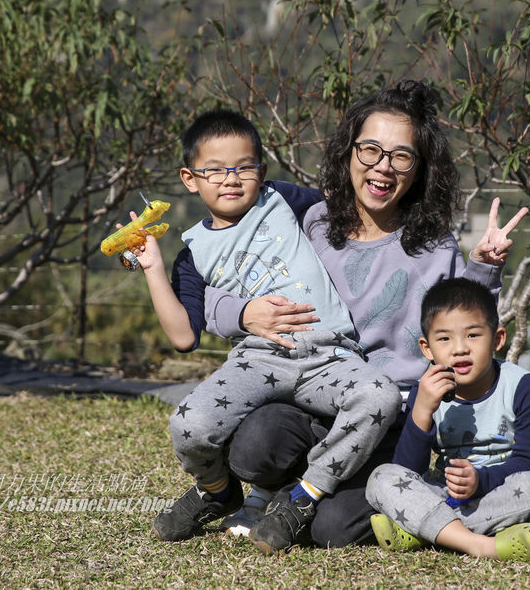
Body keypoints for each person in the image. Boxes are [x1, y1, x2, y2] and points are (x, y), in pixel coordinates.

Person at [200, 79, 528, 547]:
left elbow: (460, 324)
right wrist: (245, 312)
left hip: (386, 420)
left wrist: (485, 267)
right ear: (348, 153)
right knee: (254, 449)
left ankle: (303, 497)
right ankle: (274, 485)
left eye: (401, 156)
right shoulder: (309, 224)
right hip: (307, 399)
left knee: (332, 530)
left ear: (419, 171)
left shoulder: (435, 248)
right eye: (370, 150)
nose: (383, 168)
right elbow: (211, 282)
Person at [130, 109, 402, 553]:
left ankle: (303, 495)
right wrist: (153, 267)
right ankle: (216, 491)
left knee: (380, 397)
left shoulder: (283, 199)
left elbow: (347, 202)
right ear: (189, 178)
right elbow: (183, 336)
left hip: (329, 355)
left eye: (243, 167)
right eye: (214, 170)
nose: (230, 178)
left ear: (262, 170)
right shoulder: (192, 253)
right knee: (189, 424)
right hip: (256, 360)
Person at [365, 277, 530, 564]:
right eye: (444, 338)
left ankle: (427, 531)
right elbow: (408, 471)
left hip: (499, 492)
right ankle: (483, 544)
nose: (459, 349)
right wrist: (422, 410)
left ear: (497, 339)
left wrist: (479, 481)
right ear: (427, 348)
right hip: (444, 493)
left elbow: (529, 461)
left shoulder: (523, 385)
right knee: (381, 478)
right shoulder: (426, 388)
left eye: (473, 335)